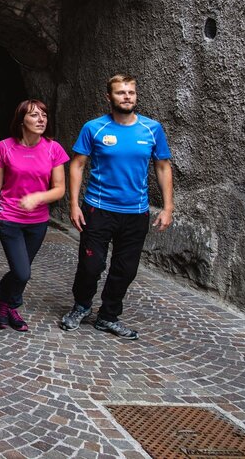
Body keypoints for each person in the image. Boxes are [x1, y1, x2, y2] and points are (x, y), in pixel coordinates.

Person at [59, 74, 174, 340]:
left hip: (135, 213)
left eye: (131, 92)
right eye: (121, 93)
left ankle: (108, 316)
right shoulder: (94, 128)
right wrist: (74, 204)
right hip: (98, 209)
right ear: (108, 97)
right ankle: (82, 306)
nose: (127, 97)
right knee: (91, 264)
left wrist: (168, 208)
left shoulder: (151, 129)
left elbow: (163, 166)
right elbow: (77, 165)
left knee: (126, 269)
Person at [0, 99, 69, 332]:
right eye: (34, 115)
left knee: (22, 270)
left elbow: (60, 188)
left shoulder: (53, 148)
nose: (41, 120)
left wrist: (37, 198)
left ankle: (6, 304)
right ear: (21, 121)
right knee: (22, 271)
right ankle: (6, 301)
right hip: (8, 217)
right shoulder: (5, 147)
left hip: (37, 222)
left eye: (44, 115)